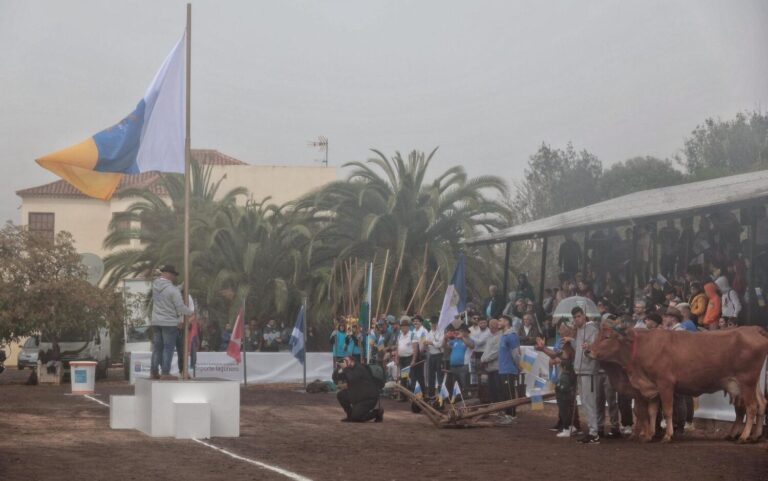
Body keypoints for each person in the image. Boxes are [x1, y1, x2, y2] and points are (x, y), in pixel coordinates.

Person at [535, 318, 579, 437]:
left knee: (564, 401)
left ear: (569, 329)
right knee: (566, 401)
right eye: (560, 329)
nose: (560, 331)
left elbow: (559, 355)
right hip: (567, 374)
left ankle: (568, 427)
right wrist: (543, 348)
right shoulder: (568, 341)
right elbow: (555, 354)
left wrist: (544, 349)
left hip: (567, 374)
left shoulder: (570, 342)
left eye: (562, 328)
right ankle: (571, 426)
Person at [150, 265, 194, 380]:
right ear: (169, 275)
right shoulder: (173, 291)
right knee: (168, 348)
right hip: (169, 323)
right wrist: (191, 313)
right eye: (174, 275)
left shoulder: (155, 286)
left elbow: (164, 296)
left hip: (156, 322)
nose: (175, 278)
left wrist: (180, 287)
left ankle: (154, 372)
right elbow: (180, 307)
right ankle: (165, 373)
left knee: (157, 348)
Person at [573, 306, 600, 444]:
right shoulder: (578, 331)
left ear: (584, 316)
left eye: (579, 316)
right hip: (580, 370)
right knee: (585, 402)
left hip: (588, 370)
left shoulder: (592, 329)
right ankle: (592, 430)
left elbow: (594, 349)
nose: (577, 319)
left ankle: (594, 432)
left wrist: (588, 348)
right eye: (575, 317)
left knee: (589, 402)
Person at [334, 355, 383, 423]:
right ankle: (350, 416)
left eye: (346, 361)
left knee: (357, 418)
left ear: (352, 361)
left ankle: (377, 413)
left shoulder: (359, 368)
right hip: (357, 396)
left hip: (368, 398)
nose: (344, 362)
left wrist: (345, 368)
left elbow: (352, 378)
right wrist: (338, 368)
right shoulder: (348, 369)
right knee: (341, 395)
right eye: (344, 361)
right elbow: (336, 378)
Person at [498, 314, 521, 422]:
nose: (498, 322)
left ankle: (512, 416)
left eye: (500, 320)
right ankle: (508, 415)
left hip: (509, 369)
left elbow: (516, 353)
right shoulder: (504, 335)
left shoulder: (511, 335)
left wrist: (518, 366)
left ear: (507, 322)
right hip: (503, 369)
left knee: (510, 393)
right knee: (505, 394)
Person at [444, 324, 475, 393]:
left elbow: (471, 345)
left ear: (466, 332)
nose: (458, 332)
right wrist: (445, 339)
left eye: (461, 331)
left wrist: (463, 338)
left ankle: (466, 399)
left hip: (464, 367)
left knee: (464, 385)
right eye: (458, 331)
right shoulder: (455, 340)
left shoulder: (470, 340)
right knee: (456, 386)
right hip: (453, 367)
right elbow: (446, 347)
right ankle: (457, 400)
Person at [480, 319, 502, 405]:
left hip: (497, 367)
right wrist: (482, 359)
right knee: (491, 388)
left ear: (497, 326)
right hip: (489, 368)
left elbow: (496, 352)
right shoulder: (489, 337)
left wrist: (485, 360)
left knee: (498, 388)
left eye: (493, 325)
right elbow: (486, 351)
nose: (491, 327)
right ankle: (494, 405)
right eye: (490, 325)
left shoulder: (500, 336)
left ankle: (500, 406)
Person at [425, 317, 444, 396]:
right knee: (431, 376)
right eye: (432, 323)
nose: (433, 325)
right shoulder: (429, 332)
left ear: (437, 323)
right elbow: (426, 343)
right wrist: (428, 343)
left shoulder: (441, 332)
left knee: (440, 375)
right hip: (431, 355)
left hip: (439, 355)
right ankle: (431, 394)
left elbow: (439, 344)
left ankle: (441, 393)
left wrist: (431, 342)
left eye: (434, 323)